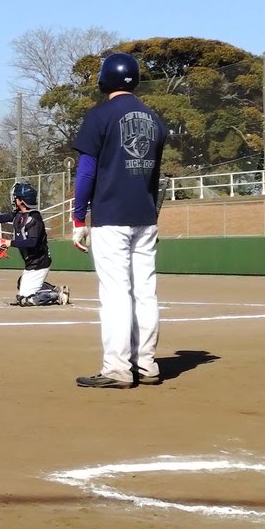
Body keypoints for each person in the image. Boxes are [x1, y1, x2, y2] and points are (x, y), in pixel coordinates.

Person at [71, 52, 169, 389]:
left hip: (111, 217)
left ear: (105, 79)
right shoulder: (154, 119)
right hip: (145, 216)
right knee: (145, 292)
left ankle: (117, 369)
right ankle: (147, 364)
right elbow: (155, 173)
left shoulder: (100, 116)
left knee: (115, 294)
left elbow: (86, 171)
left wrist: (78, 216)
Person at [0, 182, 67, 306]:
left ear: (21, 201)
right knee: (21, 284)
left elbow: (32, 242)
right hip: (31, 264)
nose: (14, 200)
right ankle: (52, 289)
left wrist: (9, 242)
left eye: (16, 197)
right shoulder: (19, 215)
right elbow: (1, 218)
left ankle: (56, 295)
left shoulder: (34, 218)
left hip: (39, 264)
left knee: (24, 299)